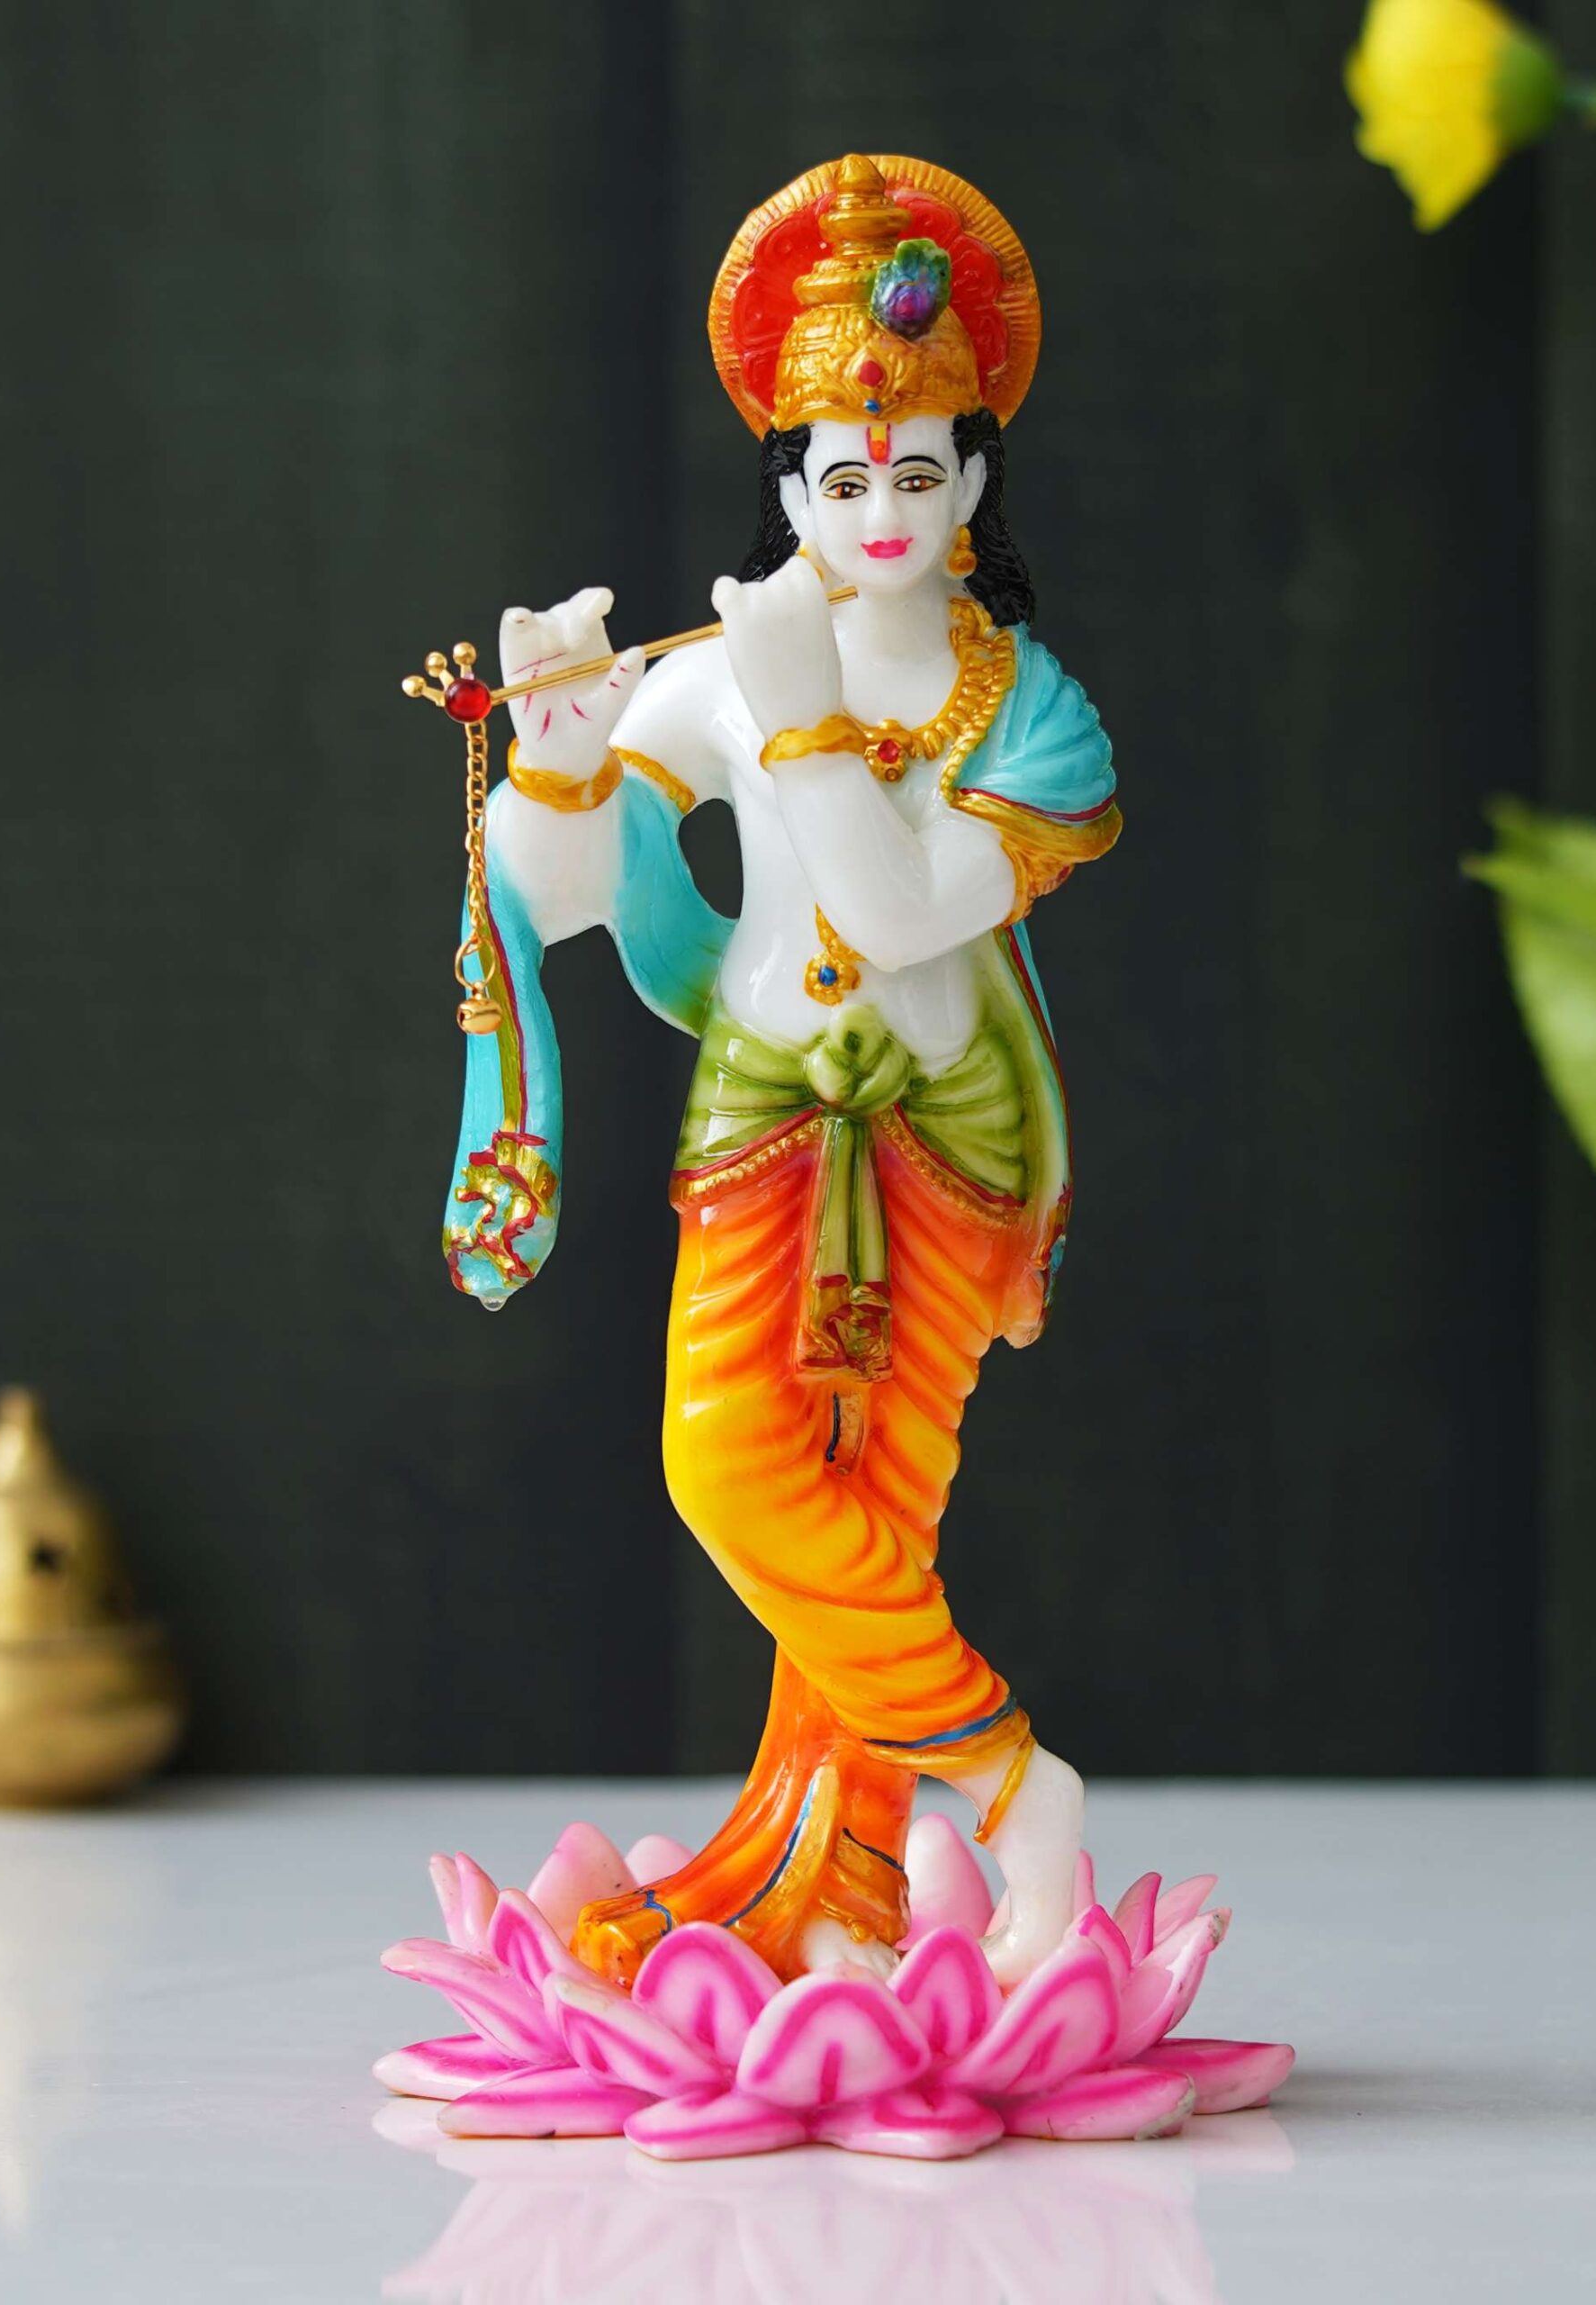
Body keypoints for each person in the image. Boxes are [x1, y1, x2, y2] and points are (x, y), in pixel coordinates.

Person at [443, 156, 1120, 1987]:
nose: (878, 509)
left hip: (949, 1132)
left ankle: (840, 1887)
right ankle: (1013, 1788)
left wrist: (804, 708)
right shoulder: (726, 673)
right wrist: (561, 753)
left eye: (915, 473)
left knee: (877, 1510)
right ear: (790, 490)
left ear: (971, 485)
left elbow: (898, 915)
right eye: (839, 478)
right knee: (731, 1468)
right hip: (760, 1116)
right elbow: (561, 894)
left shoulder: (1023, 706)